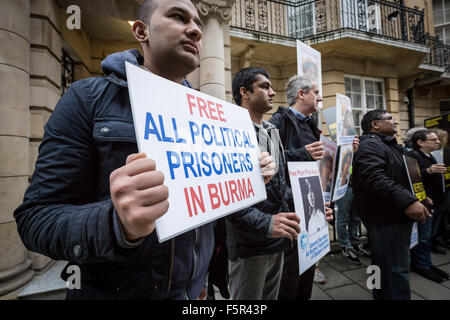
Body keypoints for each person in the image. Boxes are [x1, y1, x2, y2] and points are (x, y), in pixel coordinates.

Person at [13, 0, 275, 300]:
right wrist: (116, 225)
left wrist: (246, 178)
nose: (195, 31)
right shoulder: (86, 99)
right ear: (141, 31)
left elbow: (207, 208)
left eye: (199, 25)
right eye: (178, 17)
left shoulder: (211, 118)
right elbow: (36, 219)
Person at [225, 67, 301, 300]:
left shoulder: (271, 132)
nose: (272, 92)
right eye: (265, 86)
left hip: (276, 241)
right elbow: (225, 196)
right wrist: (266, 223)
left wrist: (306, 206)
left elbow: (279, 186)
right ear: (244, 92)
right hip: (249, 247)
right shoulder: (229, 132)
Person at [269, 75, 337, 299]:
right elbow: (269, 160)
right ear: (301, 94)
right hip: (289, 206)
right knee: (290, 273)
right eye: (316, 93)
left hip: (310, 203)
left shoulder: (311, 123)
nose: (320, 97)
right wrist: (303, 153)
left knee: (307, 266)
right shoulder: (279, 121)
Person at [352, 110, 431, 300]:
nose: (395, 121)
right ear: (375, 125)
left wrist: (419, 196)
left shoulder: (391, 146)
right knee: (396, 270)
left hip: (391, 215)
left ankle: (380, 295)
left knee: (382, 266)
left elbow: (400, 176)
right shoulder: (371, 145)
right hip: (386, 218)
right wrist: (408, 202)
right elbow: (374, 178)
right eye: (389, 119)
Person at [407, 129, 449, 282]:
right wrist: (429, 171)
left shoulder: (430, 155)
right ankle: (421, 265)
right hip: (424, 203)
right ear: (420, 142)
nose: (438, 142)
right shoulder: (412, 156)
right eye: (434, 140)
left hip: (436, 202)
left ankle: (427, 263)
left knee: (428, 236)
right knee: (423, 237)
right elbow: (411, 178)